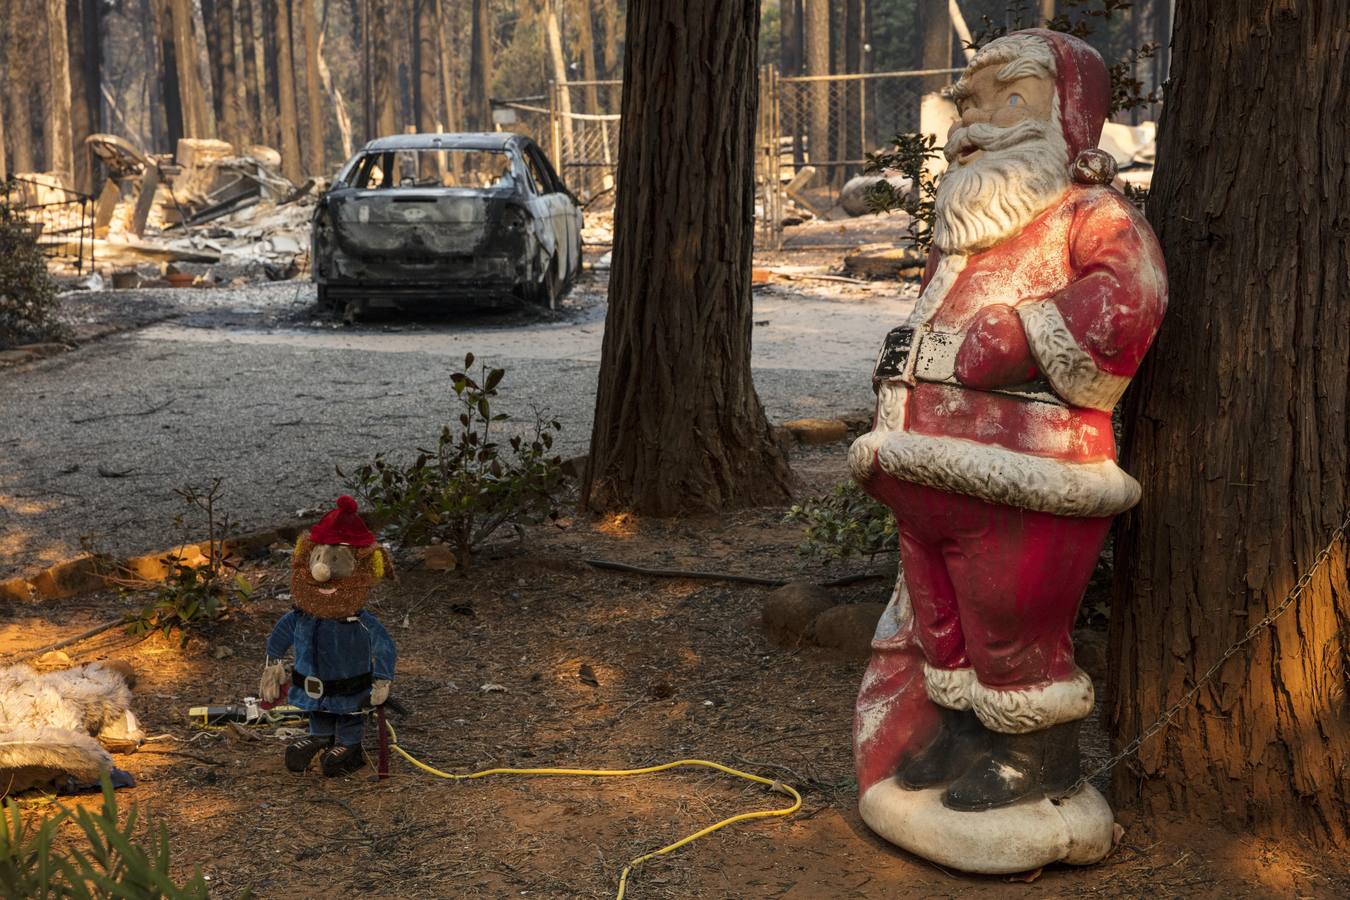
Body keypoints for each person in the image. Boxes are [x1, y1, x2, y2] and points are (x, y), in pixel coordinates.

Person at [851, 28, 1166, 825]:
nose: (976, 123)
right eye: (969, 104)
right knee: (943, 624)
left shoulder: (1089, 216)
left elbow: (1133, 295)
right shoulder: (963, 234)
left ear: (1067, 114)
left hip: (1023, 476)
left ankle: (1034, 753)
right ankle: (963, 732)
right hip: (924, 468)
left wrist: (1026, 332)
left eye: (1010, 99)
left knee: (1011, 621)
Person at [260, 497, 396, 777]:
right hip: (313, 684)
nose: (321, 573)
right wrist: (273, 663)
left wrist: (382, 679)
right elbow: (281, 634)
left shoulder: (361, 623)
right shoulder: (302, 616)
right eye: (317, 560)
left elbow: (384, 647)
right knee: (318, 710)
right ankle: (320, 736)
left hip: (350, 685)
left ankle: (349, 744)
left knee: (349, 713)